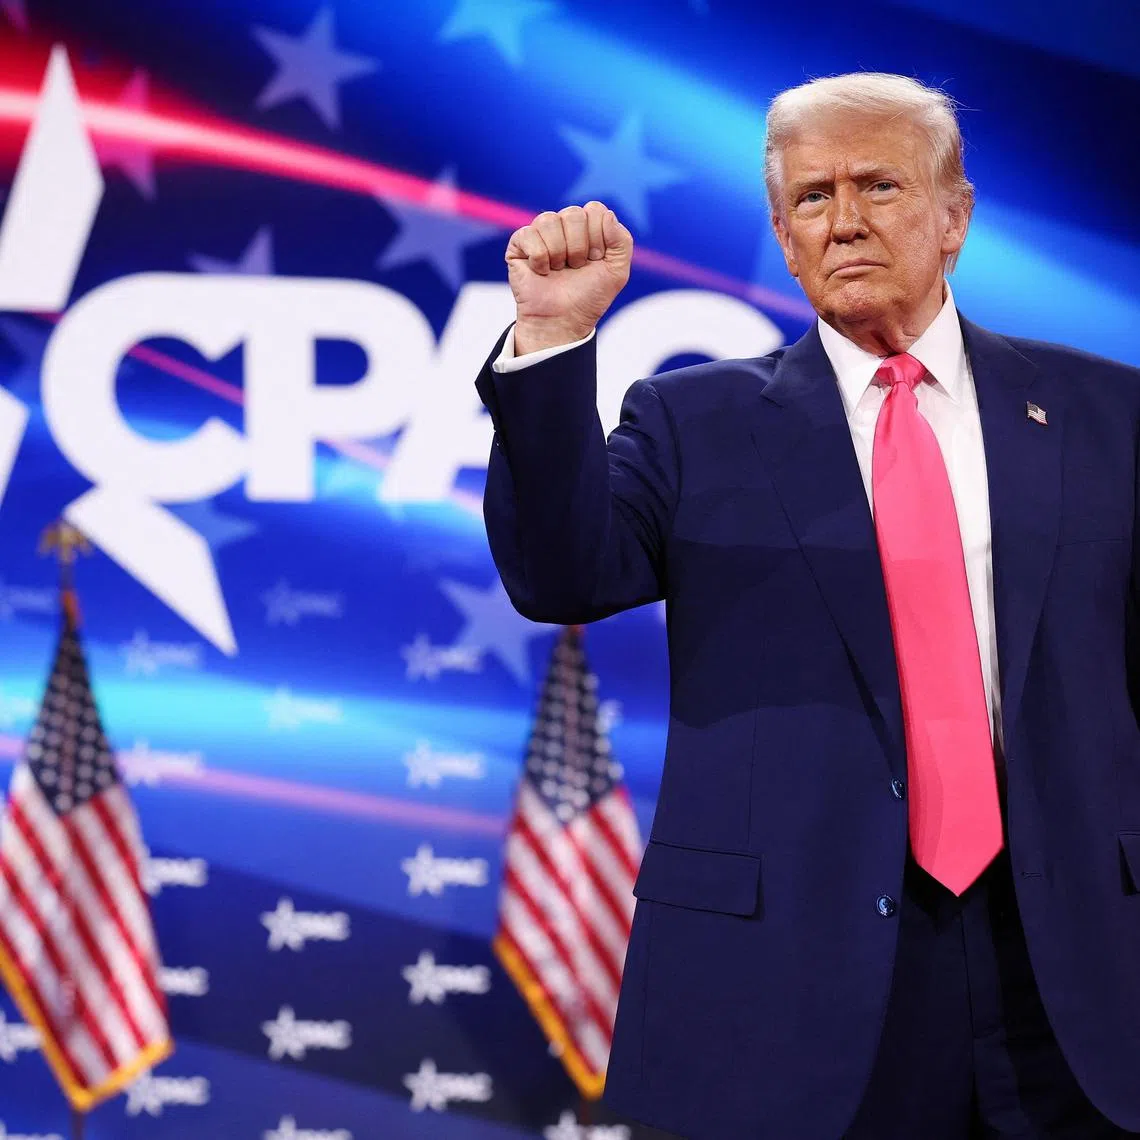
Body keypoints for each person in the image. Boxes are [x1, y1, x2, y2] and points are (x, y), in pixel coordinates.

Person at [474, 72, 1140, 1139]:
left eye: (878, 185)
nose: (845, 222)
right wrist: (553, 344)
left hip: (1078, 975)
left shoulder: (1109, 413)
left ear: (955, 215)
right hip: (792, 972)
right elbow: (560, 576)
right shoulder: (694, 422)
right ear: (784, 237)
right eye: (814, 199)